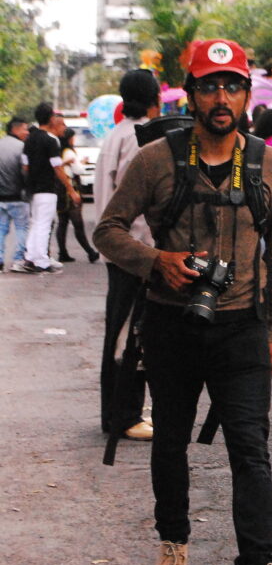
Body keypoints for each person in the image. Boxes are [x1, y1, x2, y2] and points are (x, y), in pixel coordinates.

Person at [94, 39, 272, 565]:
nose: (221, 97)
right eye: (209, 86)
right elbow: (106, 231)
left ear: (247, 94)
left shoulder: (266, 162)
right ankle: (173, 544)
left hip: (242, 331)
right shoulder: (155, 159)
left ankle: (259, 563)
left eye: (231, 85)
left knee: (251, 450)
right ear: (192, 94)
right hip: (170, 324)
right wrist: (157, 259)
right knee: (171, 445)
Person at [94, 69, 162, 441]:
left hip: (116, 250)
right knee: (132, 336)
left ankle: (116, 412)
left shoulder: (115, 136)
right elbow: (139, 203)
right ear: (154, 98)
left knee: (119, 333)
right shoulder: (141, 139)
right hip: (134, 252)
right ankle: (125, 415)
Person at [22, 103, 78, 273]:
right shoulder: (51, 140)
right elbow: (57, 168)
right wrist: (70, 189)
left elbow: (25, 165)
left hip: (33, 188)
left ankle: (30, 257)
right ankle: (41, 261)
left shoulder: (29, 138)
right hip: (47, 188)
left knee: (35, 223)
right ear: (51, 119)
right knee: (44, 225)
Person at [55, 128, 100, 263]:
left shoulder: (58, 151)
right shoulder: (69, 152)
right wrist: (81, 163)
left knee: (62, 222)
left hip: (60, 190)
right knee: (77, 223)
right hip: (70, 188)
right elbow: (77, 170)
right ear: (70, 139)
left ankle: (63, 252)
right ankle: (90, 252)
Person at [0, 117, 30, 272]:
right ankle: (18, 259)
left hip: (1, 198)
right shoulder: (22, 147)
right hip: (18, 197)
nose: (27, 132)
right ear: (16, 129)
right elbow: (25, 172)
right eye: (25, 128)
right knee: (21, 228)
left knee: (1, 229)